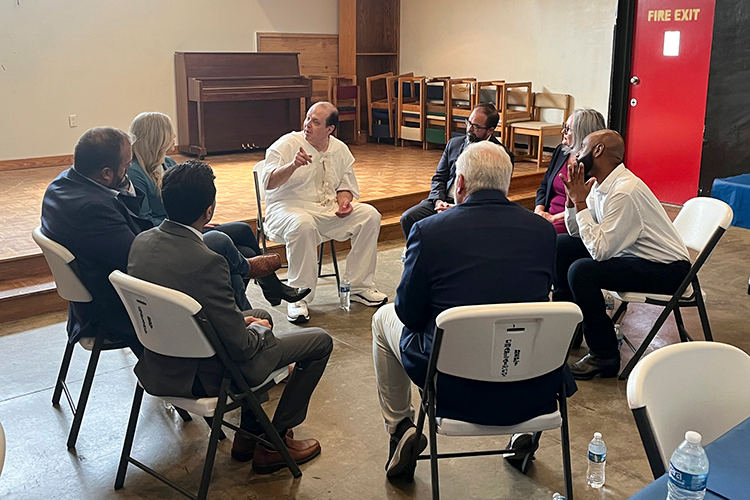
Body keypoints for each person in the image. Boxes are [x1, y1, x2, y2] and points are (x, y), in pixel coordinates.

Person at [372, 141, 572, 479]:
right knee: (517, 320)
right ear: (506, 183)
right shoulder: (542, 231)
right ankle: (523, 430)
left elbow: (409, 314)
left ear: (460, 182)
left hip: (454, 388)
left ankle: (400, 425)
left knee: (382, 318)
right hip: (532, 386)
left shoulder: (428, 231)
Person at [127, 160, 333, 474]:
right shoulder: (207, 262)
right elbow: (240, 348)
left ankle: (247, 440)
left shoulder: (140, 243)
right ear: (209, 211)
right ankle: (273, 441)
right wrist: (257, 333)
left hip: (158, 361)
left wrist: (246, 321)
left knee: (258, 313)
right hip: (205, 374)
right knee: (320, 341)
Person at [127, 112, 309, 307]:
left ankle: (262, 291)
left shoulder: (168, 162)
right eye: (170, 133)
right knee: (232, 250)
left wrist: (198, 219)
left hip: (187, 223)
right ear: (157, 137)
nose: (174, 137)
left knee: (244, 231)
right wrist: (194, 223)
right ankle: (260, 292)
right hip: (172, 234)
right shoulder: (136, 173)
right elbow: (145, 222)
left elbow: (186, 199)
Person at [556, 130, 690, 379]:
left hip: (669, 270)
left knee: (582, 272)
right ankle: (571, 330)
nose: (577, 152)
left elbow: (599, 250)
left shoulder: (624, 191)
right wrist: (572, 201)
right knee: (562, 246)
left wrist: (582, 203)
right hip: (633, 256)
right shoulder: (599, 185)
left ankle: (604, 355)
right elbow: (578, 234)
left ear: (598, 151)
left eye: (583, 145)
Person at [261, 101, 388, 324]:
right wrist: (292, 165)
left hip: (326, 210)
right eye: (308, 118)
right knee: (303, 224)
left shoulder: (340, 149)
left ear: (330, 129)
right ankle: (299, 297)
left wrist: (345, 202)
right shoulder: (287, 144)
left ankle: (359, 287)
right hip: (286, 209)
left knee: (370, 215)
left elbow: (345, 186)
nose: (308, 124)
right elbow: (268, 183)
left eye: (316, 122)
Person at [41, 127, 151, 354]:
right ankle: (229, 361)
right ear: (107, 174)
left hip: (96, 293)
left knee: (228, 238)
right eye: (127, 166)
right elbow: (140, 262)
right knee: (214, 256)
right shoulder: (92, 209)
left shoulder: (62, 184)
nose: (129, 172)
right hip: (114, 310)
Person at [399, 102, 515, 238]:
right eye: (469, 123)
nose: (470, 129)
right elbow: (439, 178)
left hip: (474, 207)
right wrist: (438, 201)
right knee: (408, 217)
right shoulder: (454, 144)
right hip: (443, 200)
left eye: (476, 127)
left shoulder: (501, 155)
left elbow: (494, 192)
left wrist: (457, 208)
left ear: (490, 130)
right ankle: (418, 252)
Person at [534, 108, 606, 234]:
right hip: (546, 216)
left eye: (567, 129)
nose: (562, 131)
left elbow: (591, 205)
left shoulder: (596, 164)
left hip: (572, 223)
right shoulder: (561, 151)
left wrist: (553, 218)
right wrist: (539, 210)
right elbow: (544, 186)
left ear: (581, 133)